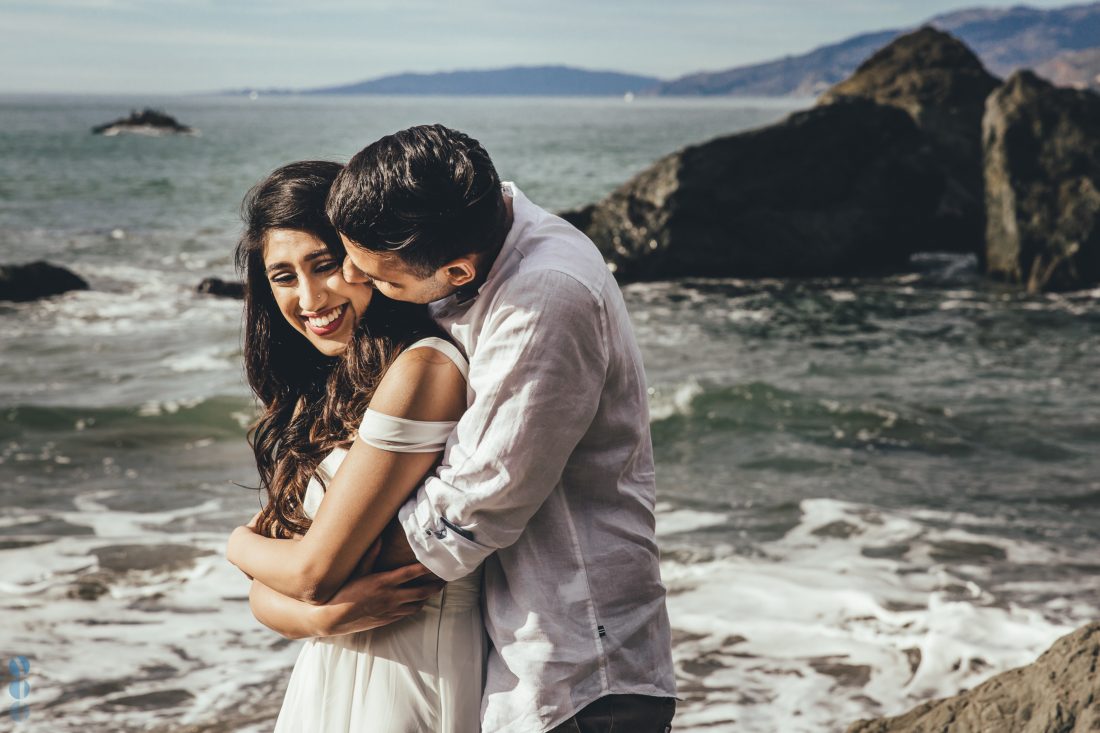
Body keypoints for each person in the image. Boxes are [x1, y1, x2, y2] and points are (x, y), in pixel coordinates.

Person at [325, 124, 678, 733]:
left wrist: (317, 574)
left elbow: (473, 504)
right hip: (512, 646)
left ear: (458, 274)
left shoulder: (545, 297)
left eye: (382, 279)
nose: (357, 283)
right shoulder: (466, 222)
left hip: (572, 666)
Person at [225, 160, 486, 733]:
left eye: (325, 266)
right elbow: (270, 596)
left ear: (364, 255)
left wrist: (237, 544)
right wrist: (325, 619)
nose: (311, 298)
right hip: (332, 668)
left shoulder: (423, 369)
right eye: (284, 276)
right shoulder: (327, 392)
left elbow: (310, 573)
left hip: (415, 680)